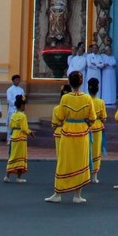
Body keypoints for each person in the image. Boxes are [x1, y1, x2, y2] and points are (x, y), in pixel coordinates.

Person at [46, 70, 93, 204]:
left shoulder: (65, 98)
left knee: (64, 161)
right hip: (82, 132)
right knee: (80, 161)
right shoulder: (87, 98)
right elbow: (92, 118)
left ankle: (58, 193)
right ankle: (77, 195)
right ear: (81, 82)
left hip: (67, 132)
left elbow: (60, 117)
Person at [4, 93, 29, 183]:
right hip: (21, 137)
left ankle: (7, 176)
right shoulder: (23, 116)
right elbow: (24, 128)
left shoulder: (13, 114)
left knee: (12, 155)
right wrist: (30, 132)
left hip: (13, 136)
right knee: (20, 156)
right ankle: (19, 177)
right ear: (22, 105)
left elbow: (10, 126)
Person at [87, 77, 106, 183]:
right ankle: (94, 176)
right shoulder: (100, 102)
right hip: (97, 128)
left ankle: (86, 174)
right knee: (95, 150)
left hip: (86, 127)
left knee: (87, 150)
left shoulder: (85, 99)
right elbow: (104, 117)